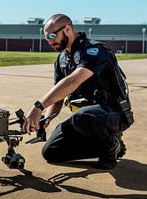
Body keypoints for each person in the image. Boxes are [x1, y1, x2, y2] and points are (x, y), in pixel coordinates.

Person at [22, 14, 134, 169]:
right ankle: (104, 144)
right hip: (84, 119)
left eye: (52, 35)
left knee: (83, 117)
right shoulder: (62, 59)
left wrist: (38, 106)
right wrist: (45, 119)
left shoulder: (93, 51)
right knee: (51, 152)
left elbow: (74, 80)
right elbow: (58, 96)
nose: (49, 41)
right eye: (46, 38)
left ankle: (111, 146)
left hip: (114, 114)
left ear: (67, 29)